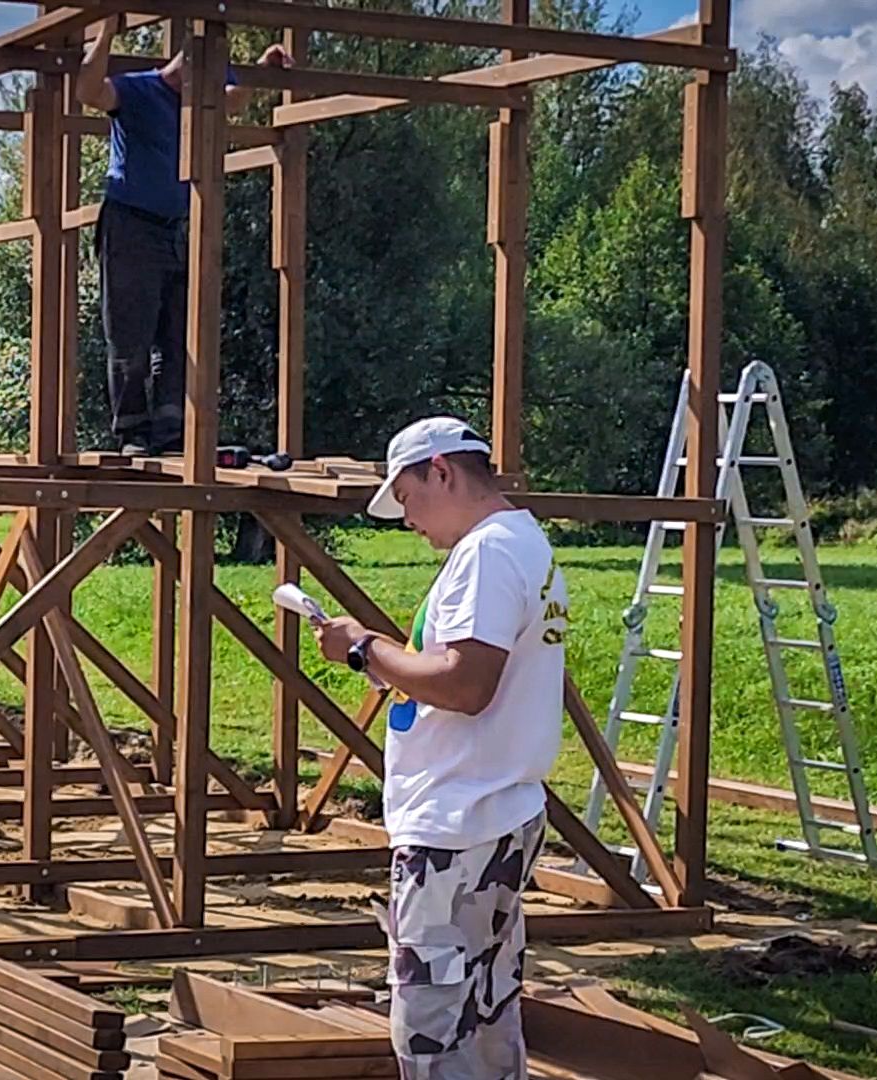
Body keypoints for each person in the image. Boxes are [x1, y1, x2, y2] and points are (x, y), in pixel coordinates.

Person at [312, 417, 569, 1079]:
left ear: (442, 471)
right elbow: (459, 672)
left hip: (459, 822)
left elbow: (465, 681)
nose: (407, 520)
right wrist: (382, 659)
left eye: (406, 497)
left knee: (433, 1026)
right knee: (484, 1013)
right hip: (492, 811)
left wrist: (367, 648)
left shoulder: (487, 553)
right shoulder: (521, 542)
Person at [75, 20, 289, 456]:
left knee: (178, 332)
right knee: (130, 331)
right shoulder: (139, 91)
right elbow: (87, 91)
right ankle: (132, 432)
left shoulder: (202, 93)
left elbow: (234, 102)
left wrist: (262, 69)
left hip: (172, 229)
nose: (213, 94)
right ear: (184, 69)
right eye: (208, 81)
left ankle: (170, 433)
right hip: (130, 224)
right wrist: (105, 35)